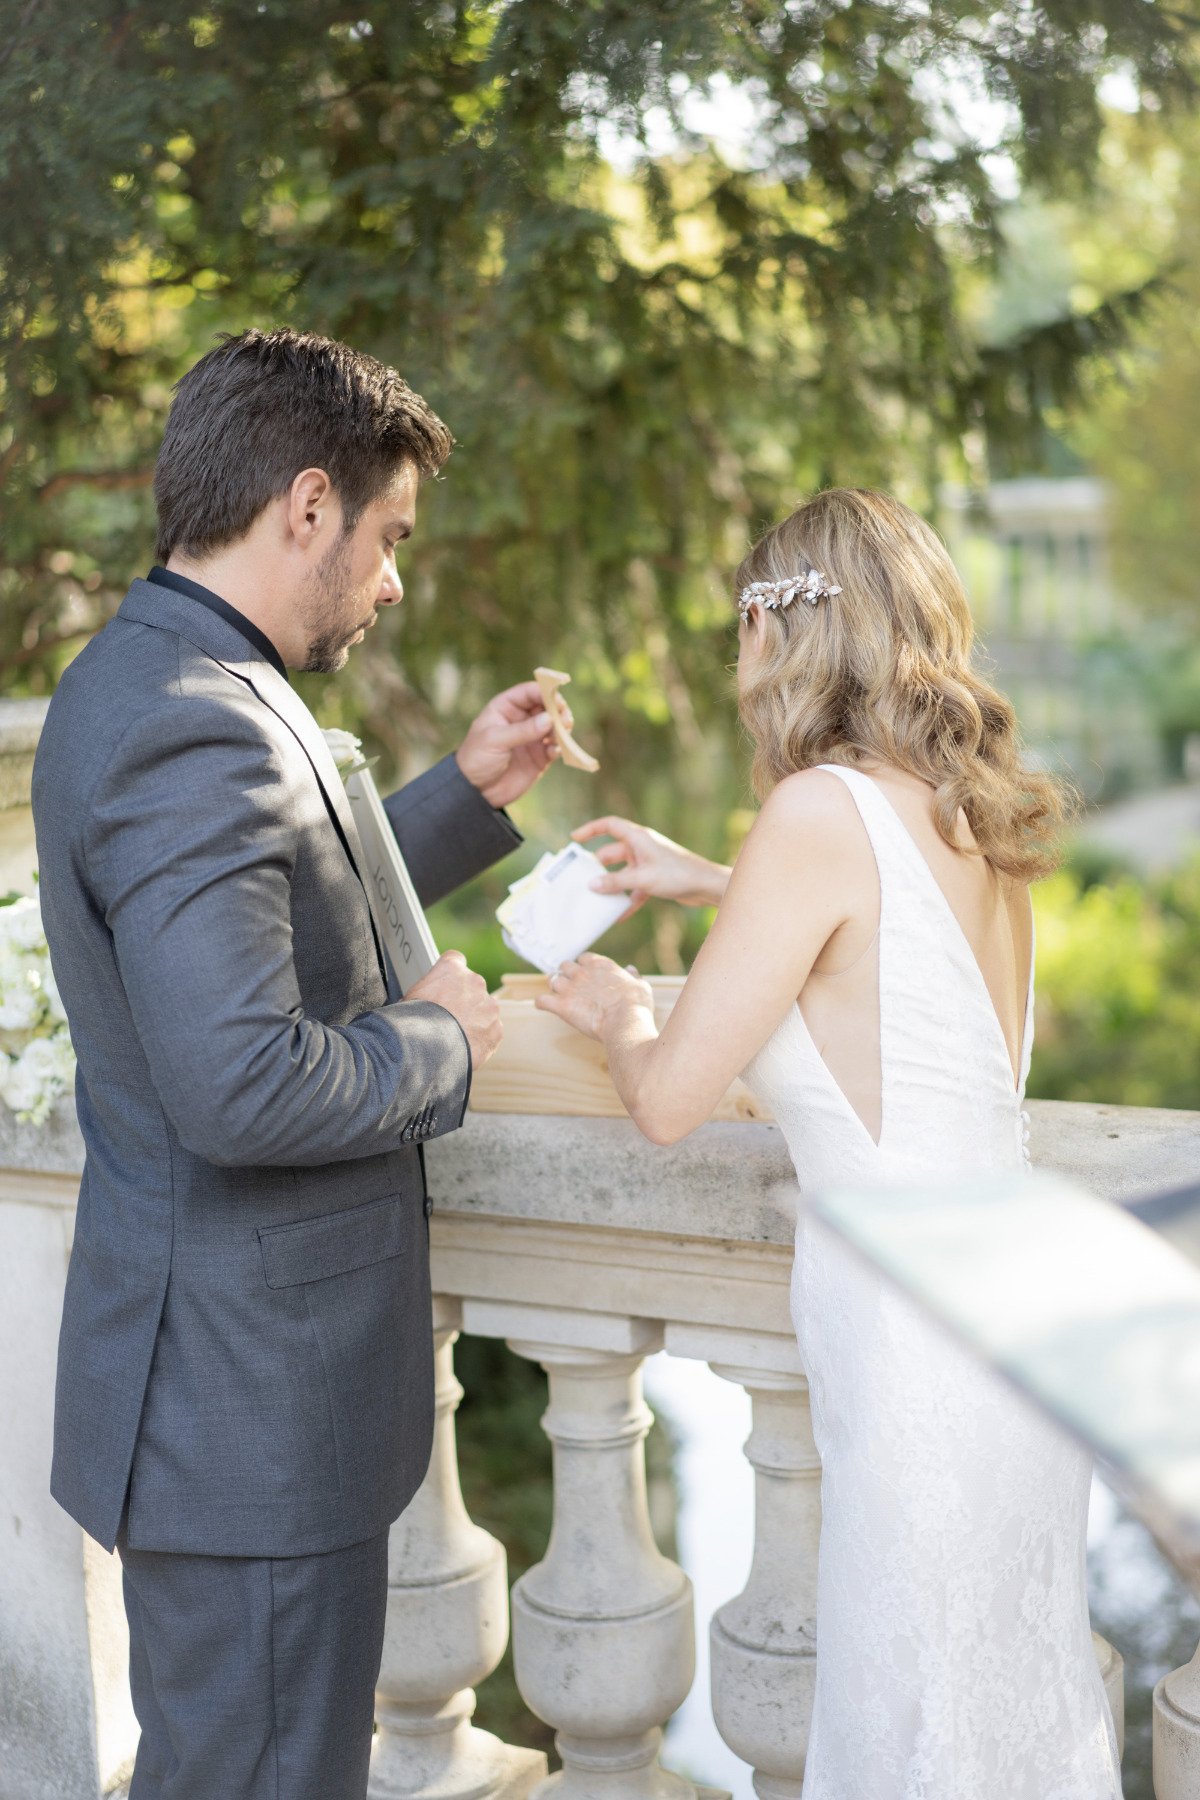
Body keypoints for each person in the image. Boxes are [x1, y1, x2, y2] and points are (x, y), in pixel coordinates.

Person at [32, 327, 565, 1800]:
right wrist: (440, 1040)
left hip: (226, 1401)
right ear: (309, 505)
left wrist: (459, 799)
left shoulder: (154, 672)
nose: (395, 579)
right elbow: (243, 1081)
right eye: (390, 537)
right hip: (245, 1415)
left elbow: (267, 900)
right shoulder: (196, 726)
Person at [539, 487, 1123, 1799]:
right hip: (1014, 1331)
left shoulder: (813, 816)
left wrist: (628, 1015)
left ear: (775, 623)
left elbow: (672, 1101)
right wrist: (704, 878)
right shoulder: (971, 811)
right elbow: (882, 971)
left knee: (916, 1715)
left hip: (915, 1345)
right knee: (1003, 1705)